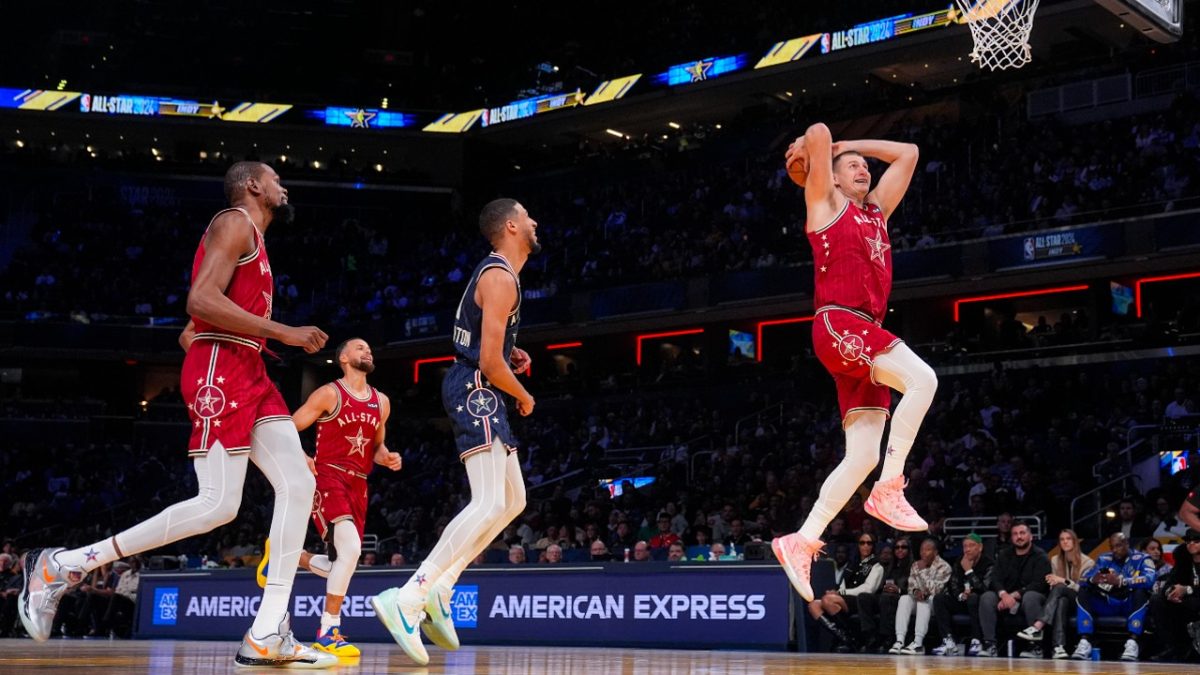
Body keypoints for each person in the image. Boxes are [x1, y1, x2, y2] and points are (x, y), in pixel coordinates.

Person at [18, 162, 334, 669]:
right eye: (275, 178)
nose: (283, 185)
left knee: (297, 482)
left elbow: (190, 327)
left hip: (246, 366)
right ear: (253, 185)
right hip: (223, 366)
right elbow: (200, 300)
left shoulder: (255, 238)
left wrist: (234, 339)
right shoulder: (234, 221)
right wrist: (283, 331)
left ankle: (268, 631)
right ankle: (65, 564)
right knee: (217, 505)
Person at [773, 124, 936, 603]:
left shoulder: (877, 213)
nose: (863, 167)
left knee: (862, 454)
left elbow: (909, 150)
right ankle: (890, 487)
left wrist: (855, 147)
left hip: (860, 334)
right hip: (840, 323)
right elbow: (819, 130)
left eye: (865, 164)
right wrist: (825, 149)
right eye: (852, 166)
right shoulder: (825, 204)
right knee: (922, 379)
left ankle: (802, 540)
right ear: (832, 178)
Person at [372, 199, 538, 666]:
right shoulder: (501, 276)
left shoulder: (499, 275)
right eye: (527, 217)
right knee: (486, 501)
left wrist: (511, 351)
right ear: (510, 225)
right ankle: (408, 597)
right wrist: (522, 393)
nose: (534, 222)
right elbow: (486, 362)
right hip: (476, 386)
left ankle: (442, 590)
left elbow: (490, 347)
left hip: (478, 383)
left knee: (513, 500)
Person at [256, 337, 401, 657]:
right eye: (360, 347)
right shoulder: (329, 393)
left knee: (343, 562)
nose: (368, 350)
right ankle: (328, 630)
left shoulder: (382, 401)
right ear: (344, 358)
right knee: (350, 549)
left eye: (369, 347)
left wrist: (387, 456)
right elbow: (290, 426)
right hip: (328, 476)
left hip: (359, 484)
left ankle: (288, 557)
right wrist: (301, 455)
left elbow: (375, 447)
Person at [1071, 532, 1156, 661]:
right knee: (1084, 590)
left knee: (1142, 592)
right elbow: (1083, 579)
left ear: (1127, 544)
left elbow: (1150, 579)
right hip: (1109, 603)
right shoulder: (1105, 560)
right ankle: (1085, 642)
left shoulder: (1141, 559)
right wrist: (1093, 579)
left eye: (1118, 546)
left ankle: (1132, 643)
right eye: (1112, 547)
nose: (1115, 550)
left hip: (1130, 603)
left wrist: (1122, 581)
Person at [1016, 529, 1095, 659]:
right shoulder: (1055, 560)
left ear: (1075, 541)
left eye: (1068, 539)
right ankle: (1058, 647)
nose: (1065, 542)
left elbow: (1084, 589)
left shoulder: (1088, 562)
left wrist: (1063, 581)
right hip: (1059, 599)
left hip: (1080, 602)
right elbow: (1053, 585)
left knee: (1060, 588)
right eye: (1062, 539)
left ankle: (1038, 626)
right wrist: (1053, 582)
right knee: (1061, 600)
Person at [977, 522, 1050, 657]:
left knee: (1031, 596)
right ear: (1011, 538)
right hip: (1006, 597)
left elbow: (1039, 584)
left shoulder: (1041, 556)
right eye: (1015, 534)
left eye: (1022, 533)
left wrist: (1015, 595)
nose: (1019, 537)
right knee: (987, 597)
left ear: (1031, 536)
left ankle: (1035, 647)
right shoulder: (1004, 554)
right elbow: (995, 579)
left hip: (1031, 597)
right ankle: (990, 645)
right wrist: (1004, 594)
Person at [810, 533, 883, 653]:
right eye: (862, 543)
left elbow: (868, 589)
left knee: (828, 600)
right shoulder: (852, 564)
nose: (865, 546)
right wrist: (837, 592)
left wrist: (840, 592)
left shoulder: (877, 566)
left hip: (862, 601)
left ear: (873, 546)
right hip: (845, 598)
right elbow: (843, 583)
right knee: (814, 605)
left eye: (869, 543)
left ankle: (852, 637)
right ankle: (848, 639)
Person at [932, 533, 994, 656]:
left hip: (979, 603)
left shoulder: (989, 563)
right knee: (939, 598)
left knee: (974, 597)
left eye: (971, 545)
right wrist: (960, 595)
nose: (968, 549)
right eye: (965, 546)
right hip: (962, 600)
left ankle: (976, 641)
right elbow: (953, 584)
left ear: (980, 547)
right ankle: (948, 641)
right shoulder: (959, 561)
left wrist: (969, 571)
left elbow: (985, 589)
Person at [891, 538, 951, 655]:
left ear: (935, 552)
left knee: (924, 600)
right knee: (904, 598)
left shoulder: (944, 567)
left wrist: (923, 571)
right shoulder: (915, 565)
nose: (924, 552)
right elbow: (911, 587)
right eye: (922, 550)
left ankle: (918, 643)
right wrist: (916, 592)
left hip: (936, 605)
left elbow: (935, 590)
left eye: (928, 550)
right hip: (919, 600)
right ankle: (899, 640)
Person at [1149, 528, 1200, 662]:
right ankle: (1174, 647)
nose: (1191, 544)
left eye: (1196, 541)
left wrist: (1187, 589)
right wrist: (1170, 592)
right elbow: (1171, 581)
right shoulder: (1183, 558)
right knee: (1157, 600)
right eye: (1188, 541)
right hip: (1189, 603)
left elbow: (1187, 589)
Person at [858, 536, 912, 652]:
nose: (900, 549)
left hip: (902, 598)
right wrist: (884, 588)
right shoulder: (888, 567)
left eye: (903, 547)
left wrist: (898, 590)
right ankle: (870, 635)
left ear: (909, 550)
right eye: (897, 547)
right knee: (863, 597)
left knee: (886, 598)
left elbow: (914, 589)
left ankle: (886, 637)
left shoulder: (913, 567)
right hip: (885, 596)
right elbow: (879, 587)